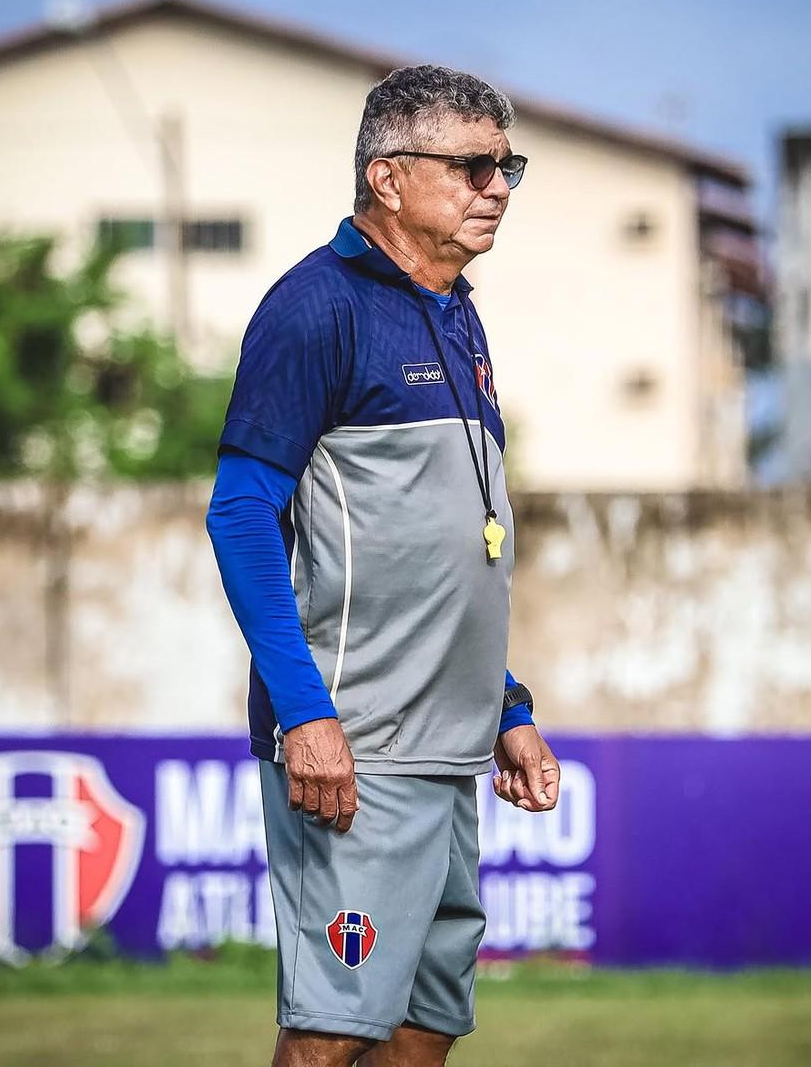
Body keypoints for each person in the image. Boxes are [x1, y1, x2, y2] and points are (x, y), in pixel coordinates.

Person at [206, 64, 560, 1067]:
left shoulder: (457, 313)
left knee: (422, 1028)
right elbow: (239, 518)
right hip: (357, 747)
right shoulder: (315, 307)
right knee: (330, 1032)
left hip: (449, 751)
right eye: (474, 165)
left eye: (507, 166)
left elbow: (440, 549)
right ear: (390, 177)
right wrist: (307, 713)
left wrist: (508, 707)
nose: (497, 186)